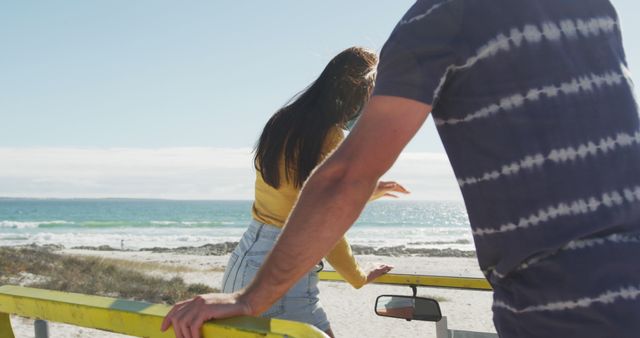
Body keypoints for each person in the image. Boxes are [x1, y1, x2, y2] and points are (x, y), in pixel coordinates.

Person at [162, 1, 640, 337]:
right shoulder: (593, 7)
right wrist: (348, 274)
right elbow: (336, 186)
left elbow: (332, 186)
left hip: (561, 300)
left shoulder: (287, 123)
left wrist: (250, 294)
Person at [166, 47, 407, 338]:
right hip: (283, 275)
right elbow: (322, 227)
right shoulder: (331, 137)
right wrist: (358, 276)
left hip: (243, 263)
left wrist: (366, 192)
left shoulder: (282, 121)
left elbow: (292, 195)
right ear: (359, 93)